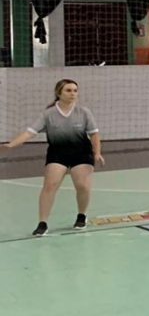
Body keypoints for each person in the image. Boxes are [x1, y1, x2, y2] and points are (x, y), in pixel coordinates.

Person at [3, 79, 103, 236]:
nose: (73, 94)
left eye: (75, 90)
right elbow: (30, 132)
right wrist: (11, 144)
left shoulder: (84, 112)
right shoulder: (48, 114)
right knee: (50, 186)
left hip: (82, 153)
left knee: (82, 186)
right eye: (68, 90)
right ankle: (42, 223)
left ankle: (81, 215)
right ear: (59, 93)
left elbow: (94, 134)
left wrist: (97, 153)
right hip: (57, 154)